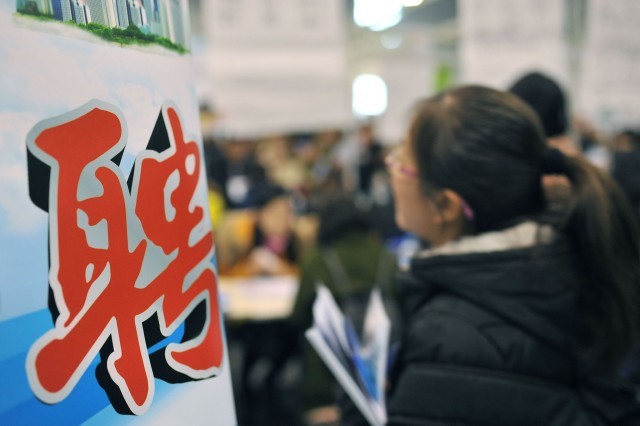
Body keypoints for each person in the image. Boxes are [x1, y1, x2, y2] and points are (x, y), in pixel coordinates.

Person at [379, 86, 640, 425]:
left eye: (402, 161)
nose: (390, 165)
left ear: (446, 205)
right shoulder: (573, 260)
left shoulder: (450, 341)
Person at [291, 195, 397, 422]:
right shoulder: (388, 258)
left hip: (327, 386)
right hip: (386, 381)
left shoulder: (317, 261)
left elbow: (297, 314)